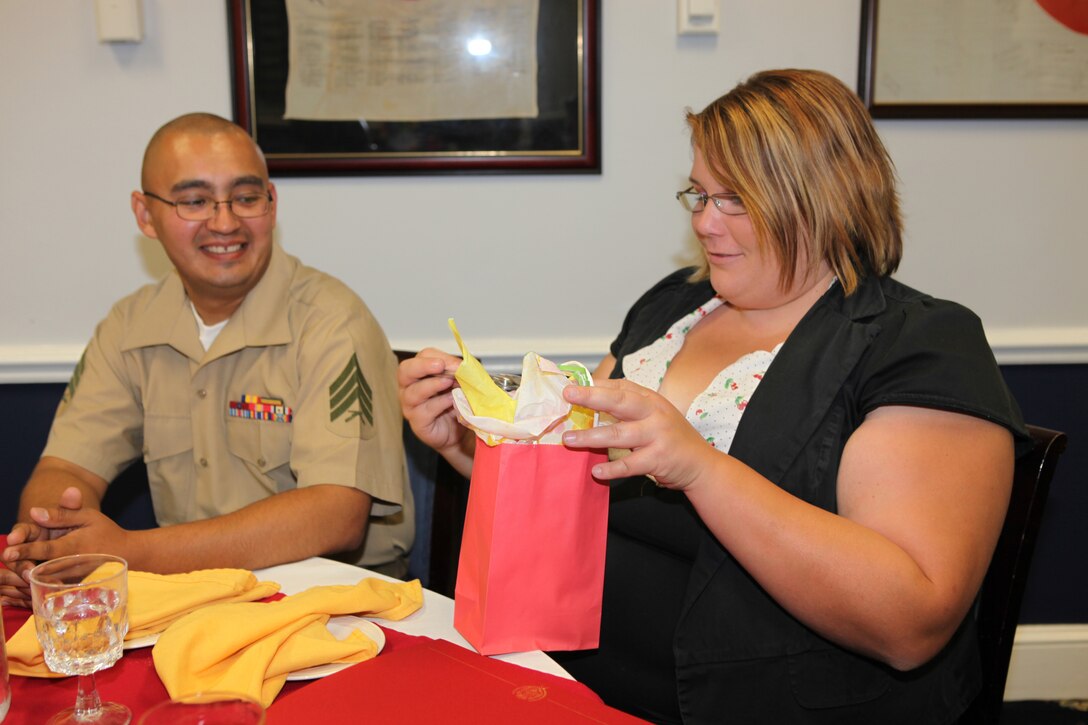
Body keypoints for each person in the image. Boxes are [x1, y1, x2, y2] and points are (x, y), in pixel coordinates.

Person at [398, 70, 1029, 723]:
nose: (703, 221)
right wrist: (465, 444)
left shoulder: (917, 344)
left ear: (826, 199)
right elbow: (571, 488)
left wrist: (701, 467)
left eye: (735, 199)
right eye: (698, 193)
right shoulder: (675, 305)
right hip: (571, 673)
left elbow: (909, 621)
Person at [1, 113, 412, 607]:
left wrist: (129, 552)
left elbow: (335, 514)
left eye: (245, 196)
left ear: (272, 203)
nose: (225, 221)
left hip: (333, 606)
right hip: (189, 599)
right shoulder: (131, 324)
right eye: (194, 201)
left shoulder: (331, 321)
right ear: (145, 215)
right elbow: (67, 469)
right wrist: (55, 543)